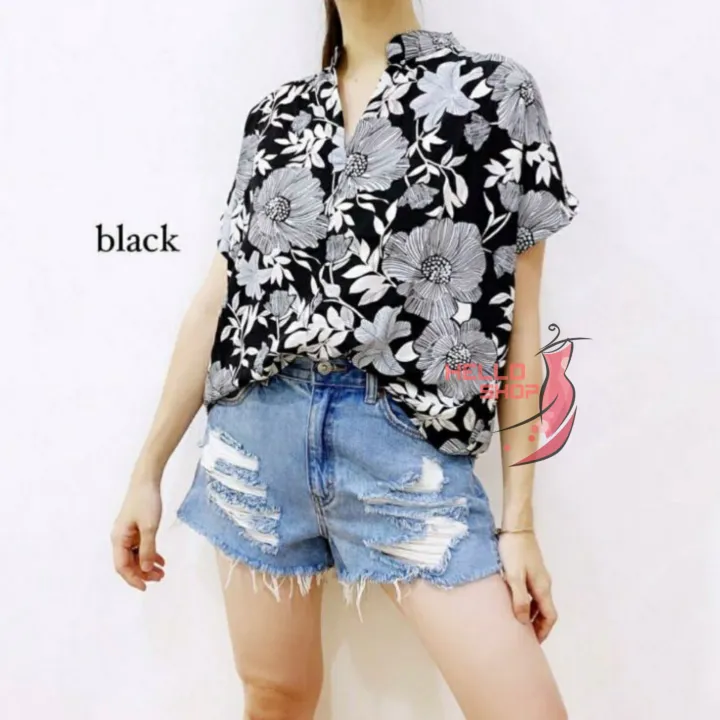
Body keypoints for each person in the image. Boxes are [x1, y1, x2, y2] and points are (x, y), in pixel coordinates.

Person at [111, 1, 578, 717]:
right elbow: (219, 300)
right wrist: (147, 470)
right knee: (276, 694)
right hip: (257, 438)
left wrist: (519, 523)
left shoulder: (497, 94)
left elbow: (522, 328)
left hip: (405, 447)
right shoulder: (275, 117)